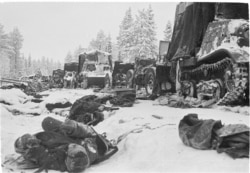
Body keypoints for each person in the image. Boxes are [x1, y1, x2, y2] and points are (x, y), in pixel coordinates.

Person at [14, 117, 118, 172]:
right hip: (77, 143)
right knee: (76, 150)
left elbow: (47, 156)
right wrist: (75, 129)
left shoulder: (41, 138)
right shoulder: (39, 155)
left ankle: (26, 145)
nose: (32, 139)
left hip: (65, 140)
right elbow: (87, 133)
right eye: (29, 142)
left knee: (47, 122)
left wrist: (68, 128)